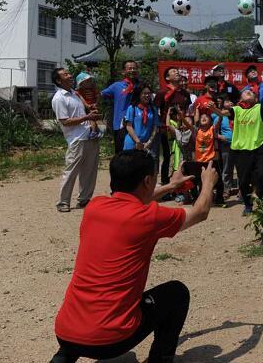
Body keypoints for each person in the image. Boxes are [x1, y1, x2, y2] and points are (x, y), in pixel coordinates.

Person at [49, 150, 216, 363]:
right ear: (147, 181)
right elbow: (200, 211)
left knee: (87, 315)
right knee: (176, 293)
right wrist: (208, 181)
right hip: (110, 341)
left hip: (65, 332)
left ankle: (63, 357)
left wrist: (170, 187)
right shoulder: (150, 217)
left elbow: (133, 202)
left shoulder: (94, 207)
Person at [52, 68, 102, 213]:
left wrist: (90, 110)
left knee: (89, 170)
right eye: (66, 74)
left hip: (89, 135)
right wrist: (87, 118)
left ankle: (84, 199)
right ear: (58, 80)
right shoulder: (59, 98)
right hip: (76, 140)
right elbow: (65, 121)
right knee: (71, 171)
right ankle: (63, 202)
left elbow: (84, 111)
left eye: (69, 73)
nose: (70, 75)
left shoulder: (74, 93)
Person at [229, 88, 263, 215]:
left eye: (252, 93)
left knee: (262, 174)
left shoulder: (260, 108)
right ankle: (248, 205)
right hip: (241, 150)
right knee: (243, 180)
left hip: (259, 147)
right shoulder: (236, 110)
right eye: (247, 92)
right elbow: (222, 113)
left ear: (256, 99)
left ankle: (261, 200)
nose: (250, 92)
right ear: (240, 99)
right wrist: (214, 109)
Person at [154, 67, 191, 185]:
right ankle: (166, 183)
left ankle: (182, 184)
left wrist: (185, 123)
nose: (177, 72)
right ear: (167, 78)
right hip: (167, 130)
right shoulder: (162, 93)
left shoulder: (185, 93)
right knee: (168, 156)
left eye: (178, 71)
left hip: (182, 129)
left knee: (182, 156)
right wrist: (163, 126)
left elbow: (187, 110)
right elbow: (156, 111)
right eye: (173, 72)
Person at [101, 60, 140, 153]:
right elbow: (101, 94)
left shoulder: (141, 86)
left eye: (135, 68)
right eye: (130, 68)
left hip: (138, 123)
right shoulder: (116, 86)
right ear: (123, 71)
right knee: (121, 153)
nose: (133, 70)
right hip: (121, 124)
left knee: (137, 153)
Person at [123, 84, 159, 155]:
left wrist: (149, 142)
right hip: (132, 144)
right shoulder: (132, 108)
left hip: (146, 145)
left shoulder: (153, 109)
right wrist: (138, 142)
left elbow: (155, 127)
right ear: (139, 95)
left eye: (149, 93)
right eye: (144, 93)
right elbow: (129, 126)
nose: (147, 96)